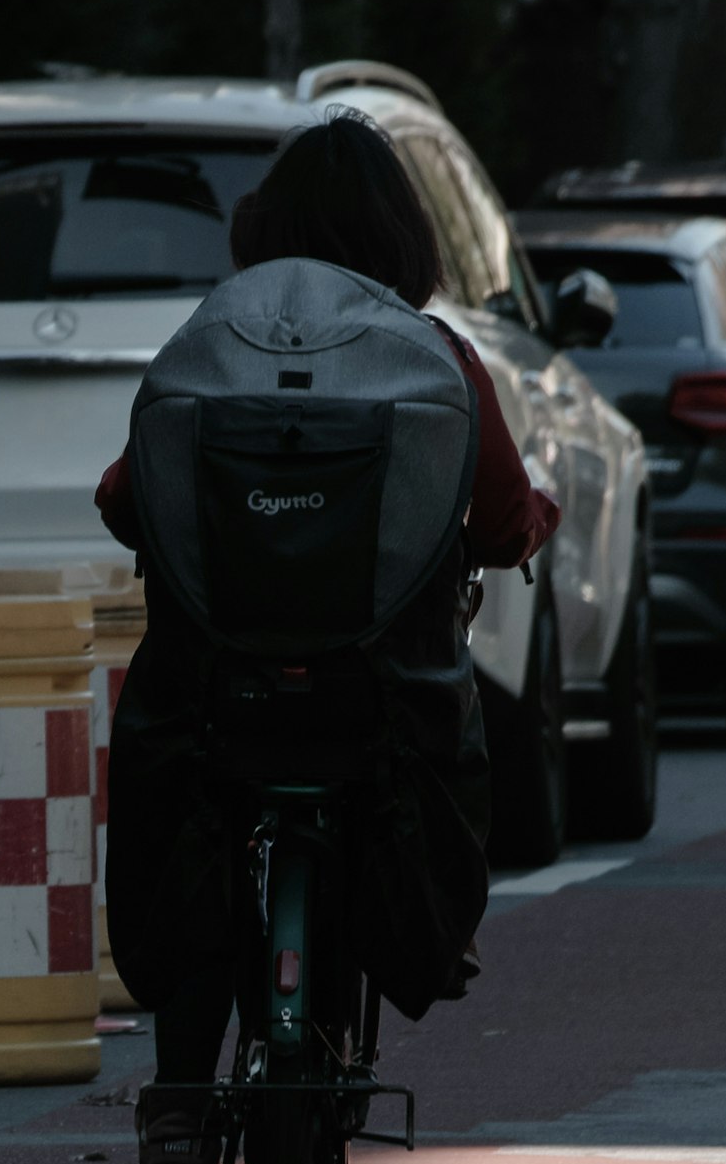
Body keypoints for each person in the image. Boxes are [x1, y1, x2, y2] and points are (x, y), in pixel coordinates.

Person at [92, 115, 562, 1097]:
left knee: (192, 839)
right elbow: (507, 517)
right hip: (380, 695)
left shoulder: (206, 348)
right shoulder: (435, 357)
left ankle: (179, 1109)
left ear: (263, 229)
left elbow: (125, 501)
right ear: (403, 238)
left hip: (216, 690)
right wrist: (518, 533)